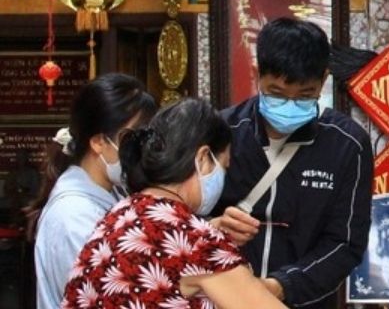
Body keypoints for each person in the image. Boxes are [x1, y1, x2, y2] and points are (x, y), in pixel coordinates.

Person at [61, 97, 287, 309]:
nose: (224, 177)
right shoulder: (195, 241)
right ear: (202, 158)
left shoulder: (117, 216)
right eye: (224, 167)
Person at [214, 17, 372, 308]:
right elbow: (180, 218)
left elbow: (344, 243)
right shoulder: (222, 132)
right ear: (257, 73)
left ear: (323, 81)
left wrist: (280, 286)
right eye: (276, 93)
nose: (289, 104)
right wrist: (213, 226)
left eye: (304, 95)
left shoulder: (348, 144)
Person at [27, 73, 157, 309]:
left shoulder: (113, 192)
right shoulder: (73, 216)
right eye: (131, 138)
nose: (141, 149)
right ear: (99, 142)